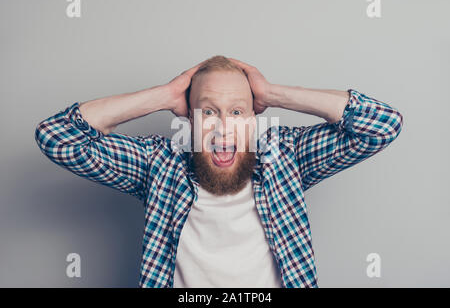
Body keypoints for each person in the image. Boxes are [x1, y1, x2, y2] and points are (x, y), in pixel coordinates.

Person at [34, 55, 403, 288]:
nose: (223, 128)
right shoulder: (159, 165)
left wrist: (273, 93)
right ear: (189, 119)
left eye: (238, 112)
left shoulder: (284, 157)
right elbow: (57, 139)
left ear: (255, 117)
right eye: (208, 112)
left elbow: (382, 125)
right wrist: (163, 96)